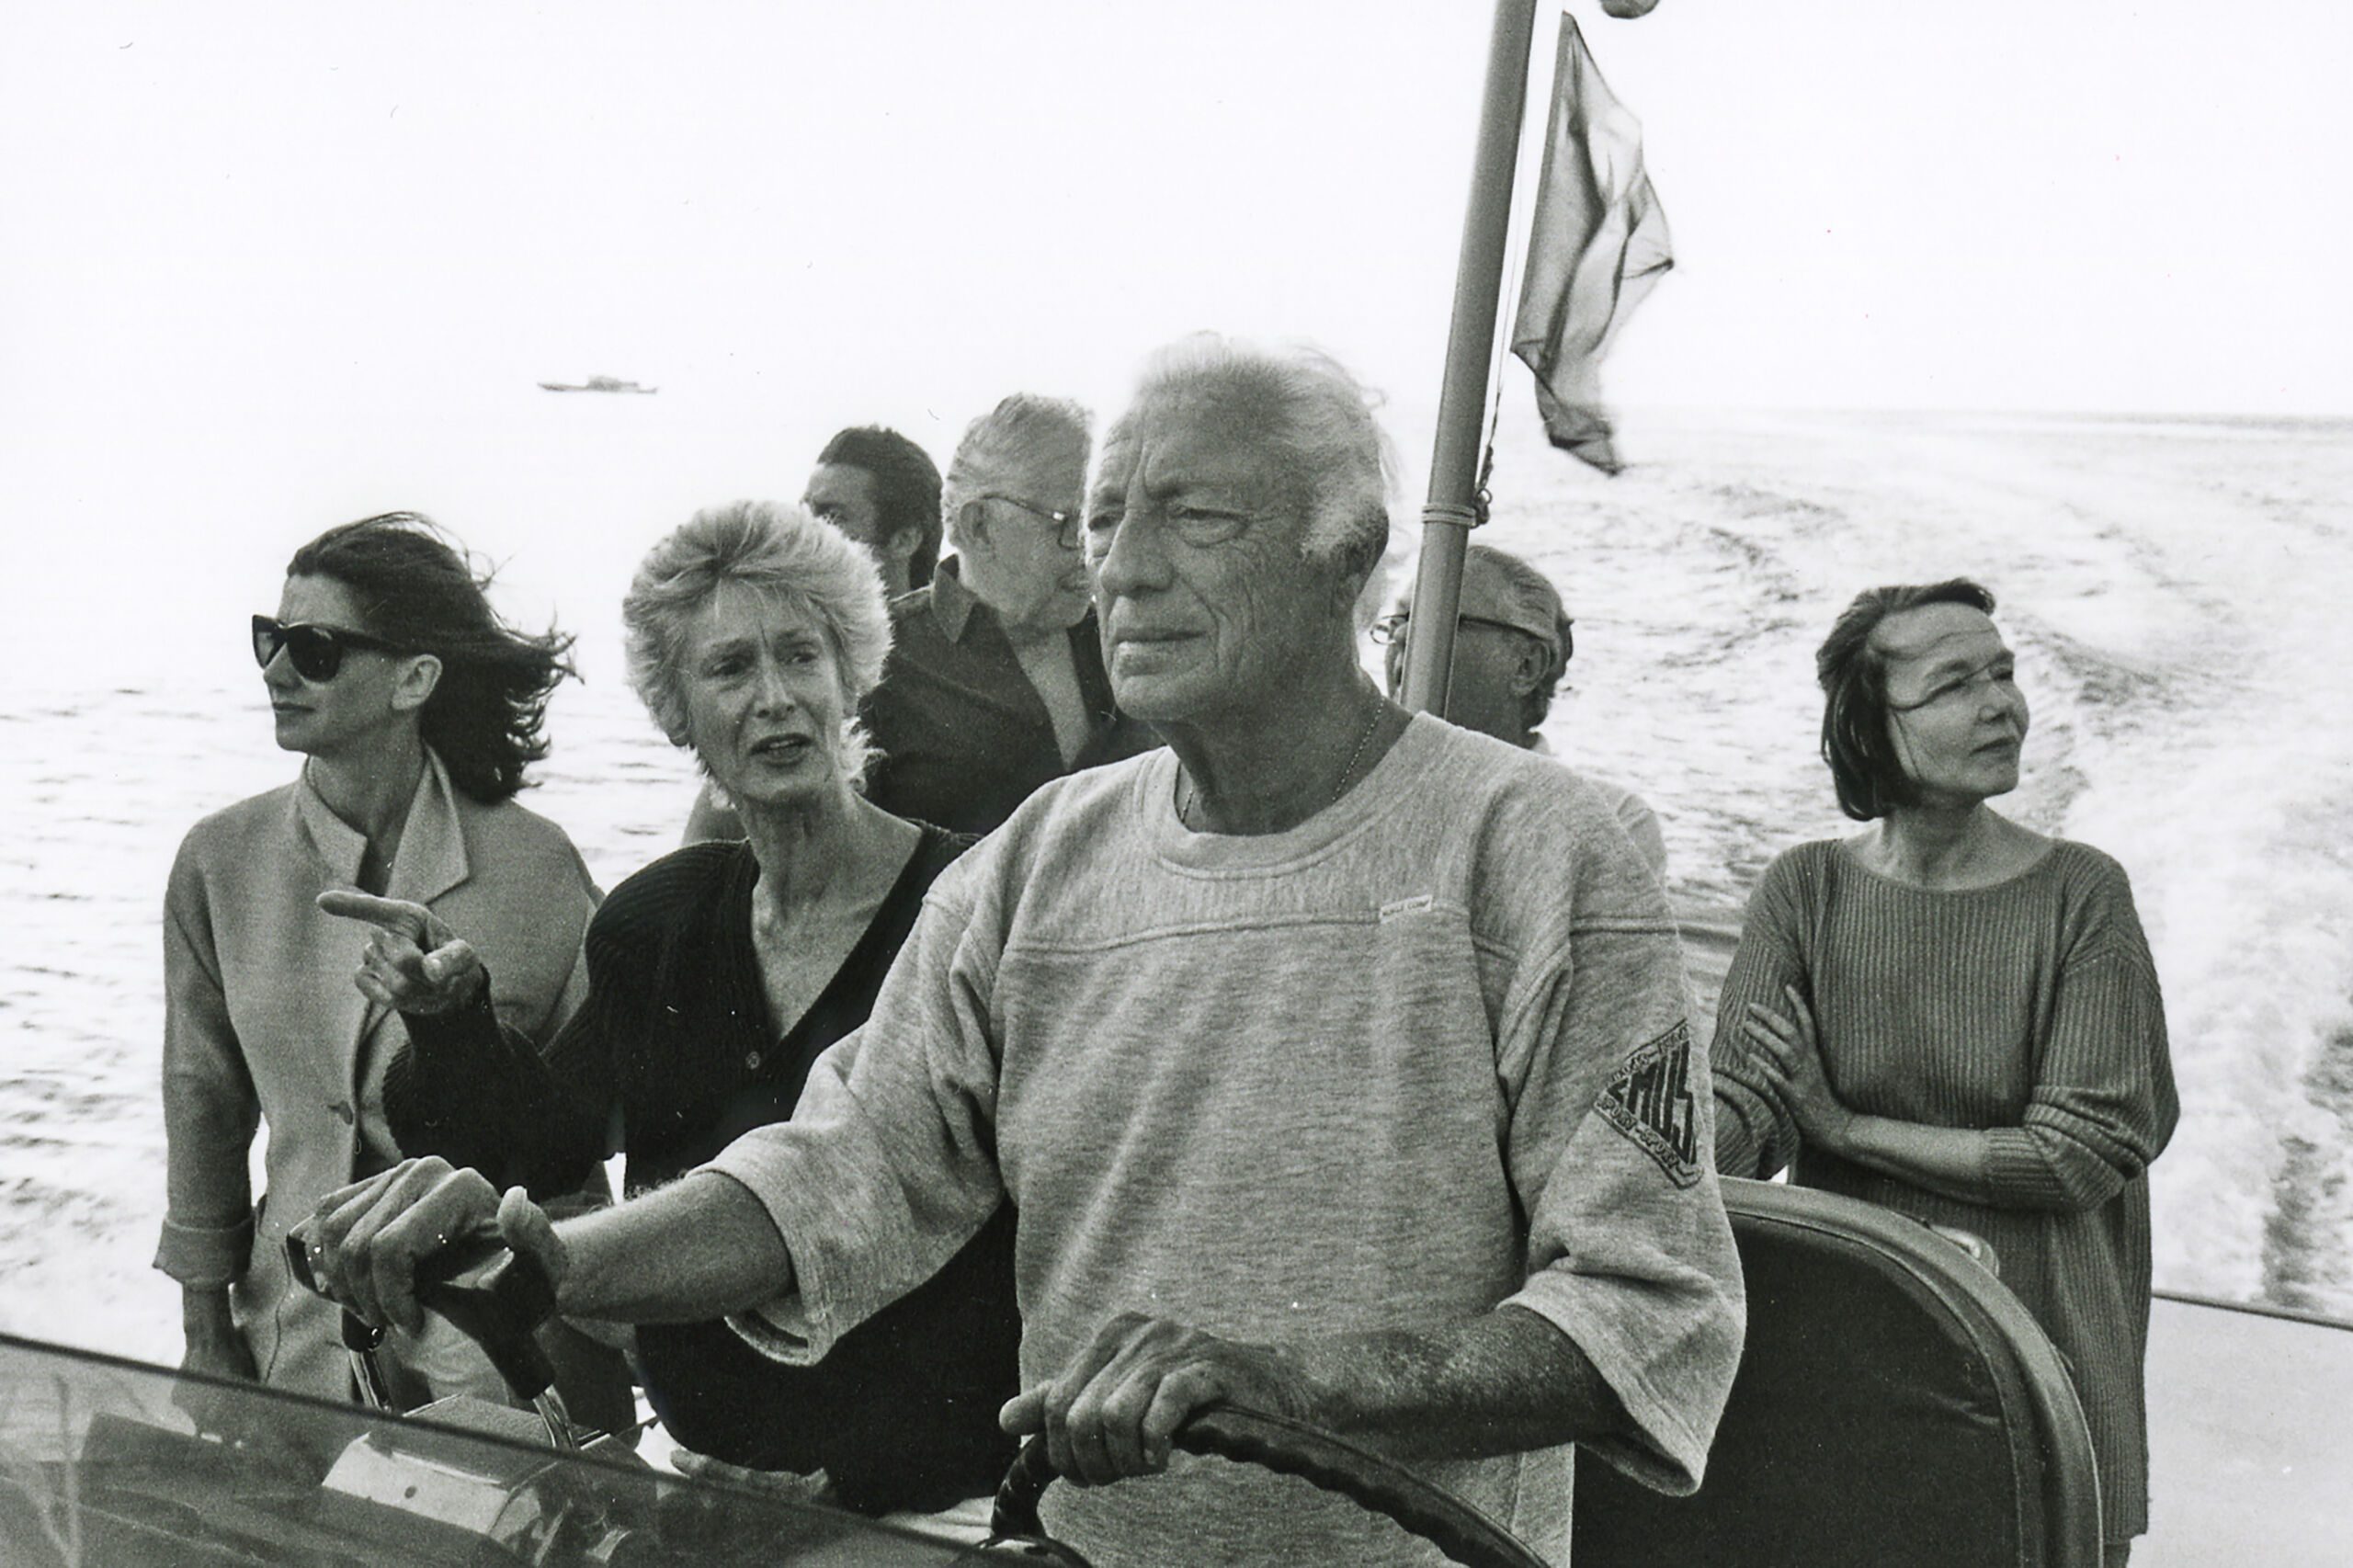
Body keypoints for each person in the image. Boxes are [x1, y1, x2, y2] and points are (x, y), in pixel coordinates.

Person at [302, 337, 1744, 1568]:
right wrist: (555, 1258)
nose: (1123, 566)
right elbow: (841, 1172)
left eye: (1193, 516)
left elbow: (1648, 1303)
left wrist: (1298, 1387)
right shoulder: (1043, 858)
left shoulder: (1546, 850)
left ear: (1348, 554)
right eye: (1106, 518)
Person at [328, 500, 1019, 1522]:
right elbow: (540, 1153)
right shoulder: (661, 918)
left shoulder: (971, 902)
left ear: (851, 675)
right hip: (702, 1489)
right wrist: (455, 1020)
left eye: (801, 656)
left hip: (934, 1507)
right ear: (676, 711)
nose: (776, 697)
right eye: (730, 669)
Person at [1709, 578, 2177, 1567]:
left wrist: (1844, 1130)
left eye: (2003, 672)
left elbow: (2075, 1155)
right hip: (1858, 1347)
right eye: (1955, 682)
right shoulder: (1805, 889)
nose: (2001, 702)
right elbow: (1746, 1107)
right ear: (1871, 727)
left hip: (2043, 1355)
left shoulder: (2081, 894)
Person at [157, 513, 601, 1412]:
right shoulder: (218, 860)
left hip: (507, 1353)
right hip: (295, 1343)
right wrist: (206, 1335)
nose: (276, 669)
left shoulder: (540, 866)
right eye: (269, 640)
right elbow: (202, 1104)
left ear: (416, 678)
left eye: (315, 648)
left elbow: (584, 1132)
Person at [858, 392, 1158, 835]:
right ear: (979, 526)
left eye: (1102, 521)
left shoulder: (1133, 634)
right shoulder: (873, 660)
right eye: (1068, 525)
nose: (1092, 556)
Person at [686, 426, 943, 843]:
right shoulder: (797, 659)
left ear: (905, 538)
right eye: (805, 512)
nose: (806, 533)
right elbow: (706, 841)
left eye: (832, 516)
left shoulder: (943, 671)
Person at [1374, 541, 1667, 879]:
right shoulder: (1343, 794)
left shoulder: (1614, 822)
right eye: (1400, 618)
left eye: (1439, 619)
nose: (1402, 635)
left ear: (1526, 666)